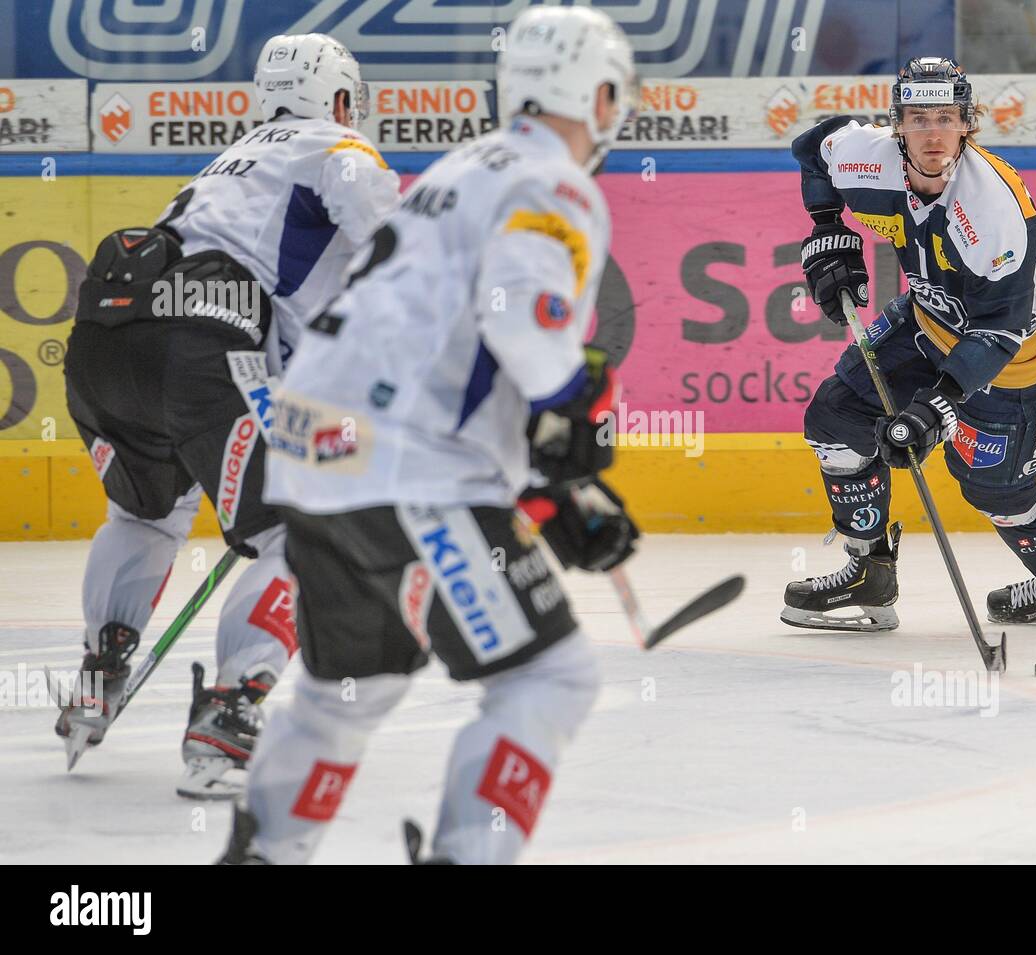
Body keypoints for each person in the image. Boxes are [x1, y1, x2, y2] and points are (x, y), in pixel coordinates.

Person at [218, 5, 639, 864]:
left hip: (308, 455)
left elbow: (438, 348)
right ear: (596, 96)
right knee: (550, 674)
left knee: (348, 690)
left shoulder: (458, 170)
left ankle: (263, 855)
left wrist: (540, 480)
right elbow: (526, 325)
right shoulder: (552, 181)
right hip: (402, 465)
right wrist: (575, 402)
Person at [56, 33, 399, 798]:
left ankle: (100, 668)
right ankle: (232, 709)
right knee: (293, 532)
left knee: (146, 515)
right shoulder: (341, 148)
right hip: (200, 354)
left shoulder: (226, 166)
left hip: (104, 349)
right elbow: (397, 249)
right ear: (342, 100)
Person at [782, 56, 1036, 631]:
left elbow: (999, 330)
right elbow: (813, 147)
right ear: (897, 122)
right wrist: (827, 227)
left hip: (1014, 357)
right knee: (834, 415)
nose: (933, 132)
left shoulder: (990, 209)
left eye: (946, 116)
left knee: (994, 492)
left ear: (967, 123)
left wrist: (939, 405)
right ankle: (869, 571)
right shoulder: (869, 158)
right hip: (929, 319)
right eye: (917, 116)